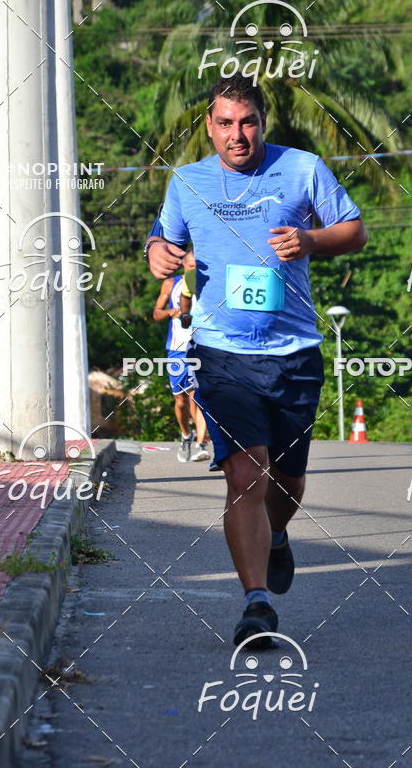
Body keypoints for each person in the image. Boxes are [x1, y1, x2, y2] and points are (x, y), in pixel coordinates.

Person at [144, 74, 366, 647]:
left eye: (247, 123)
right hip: (222, 353)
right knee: (246, 475)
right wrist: (159, 255)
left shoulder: (302, 168)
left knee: (287, 483)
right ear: (210, 126)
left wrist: (313, 241)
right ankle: (256, 603)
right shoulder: (187, 182)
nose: (236, 135)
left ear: (262, 122)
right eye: (224, 124)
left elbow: (355, 230)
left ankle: (278, 537)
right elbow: (158, 244)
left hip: (294, 352)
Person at [152, 250, 210, 463]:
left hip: (202, 345)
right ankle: (187, 434)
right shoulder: (172, 283)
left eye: (199, 267)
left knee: (198, 396)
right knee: (180, 400)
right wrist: (170, 312)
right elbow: (156, 313)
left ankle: (202, 445)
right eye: (191, 267)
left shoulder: (209, 283)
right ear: (184, 266)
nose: (195, 271)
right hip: (177, 348)